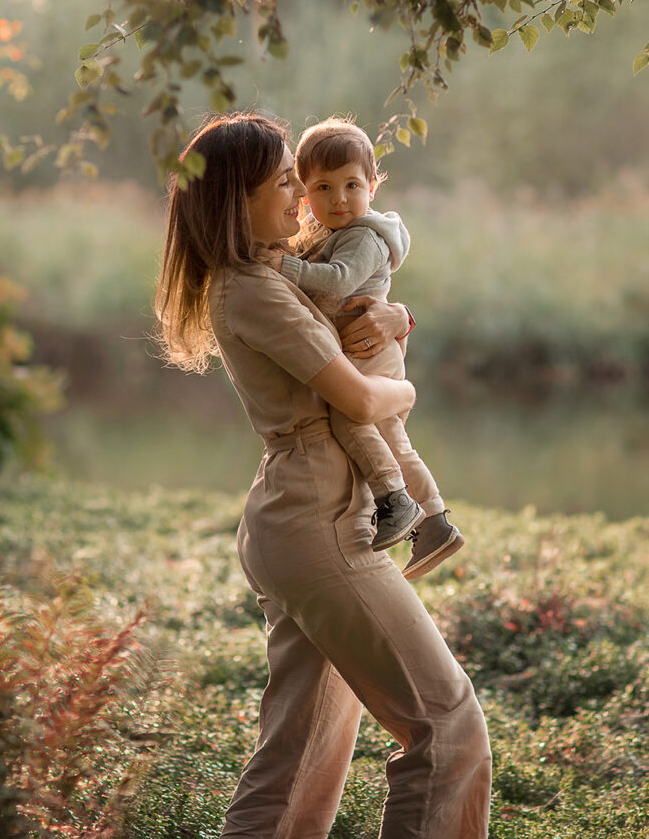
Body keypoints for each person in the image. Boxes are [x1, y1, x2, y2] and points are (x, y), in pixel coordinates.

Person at [155, 111, 491, 838]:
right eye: (283, 183)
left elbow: (348, 310)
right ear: (236, 198)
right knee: (449, 726)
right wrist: (407, 391)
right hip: (319, 520)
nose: (298, 198)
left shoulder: (272, 277)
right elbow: (365, 398)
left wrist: (395, 317)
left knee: (297, 763)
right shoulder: (255, 288)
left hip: (306, 514)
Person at [265, 116, 462, 579]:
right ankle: (433, 521)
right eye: (324, 188)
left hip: (370, 348)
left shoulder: (363, 235)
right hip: (363, 347)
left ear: (373, 186)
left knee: (349, 413)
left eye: (352, 185)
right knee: (390, 435)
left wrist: (282, 268)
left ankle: (395, 497)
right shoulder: (324, 233)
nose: (339, 199)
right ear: (303, 191)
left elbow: (339, 281)